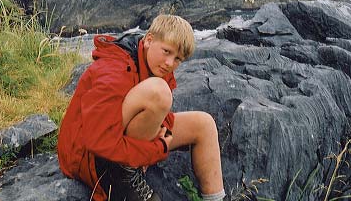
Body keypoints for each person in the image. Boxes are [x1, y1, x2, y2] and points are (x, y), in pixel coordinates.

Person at [57, 14, 226, 201]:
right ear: (149, 40)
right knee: (159, 92)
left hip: (120, 137)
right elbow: (97, 141)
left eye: (178, 58)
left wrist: (166, 135)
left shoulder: (153, 64)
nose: (170, 63)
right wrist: (156, 149)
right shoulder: (114, 71)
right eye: (167, 51)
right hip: (91, 159)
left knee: (204, 124)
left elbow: (163, 117)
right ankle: (124, 174)